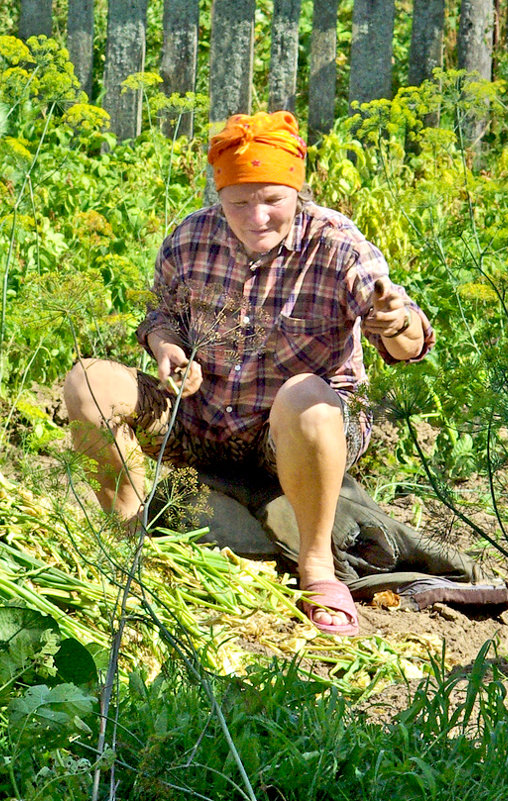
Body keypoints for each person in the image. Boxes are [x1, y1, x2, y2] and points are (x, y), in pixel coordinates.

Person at [63, 110, 434, 636]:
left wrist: (397, 322)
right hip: (199, 420)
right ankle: (126, 545)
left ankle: (318, 571)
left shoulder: (337, 244)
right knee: (88, 384)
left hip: (287, 435)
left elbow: (407, 339)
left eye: (272, 200)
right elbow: (160, 315)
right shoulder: (190, 237)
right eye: (239, 201)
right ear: (219, 196)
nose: (256, 216)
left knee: (306, 393)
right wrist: (166, 348)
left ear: (297, 194)